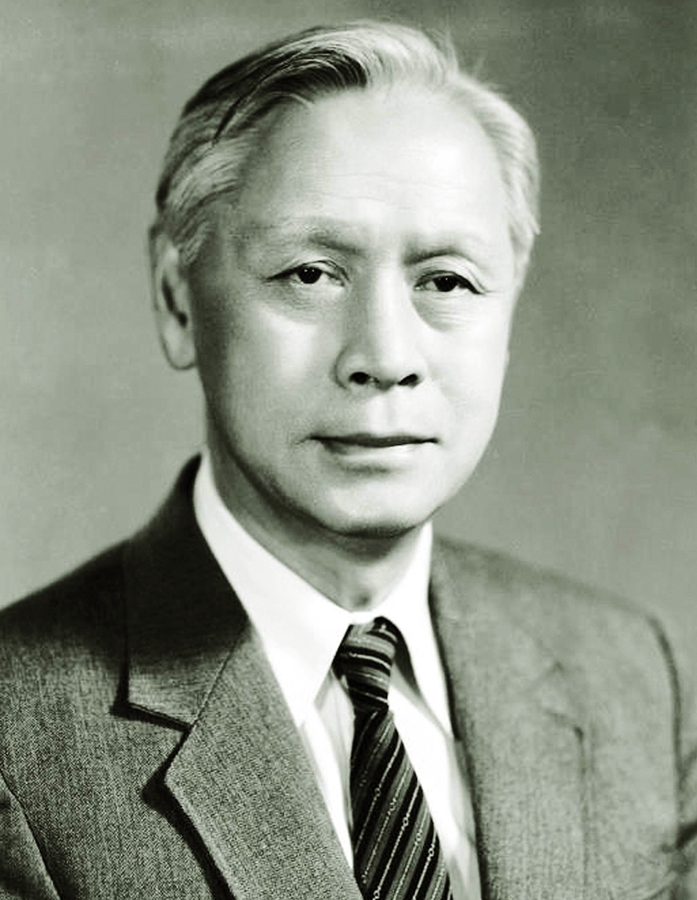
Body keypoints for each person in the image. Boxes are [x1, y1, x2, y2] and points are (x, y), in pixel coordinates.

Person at [0, 20, 695, 900]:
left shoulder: (631, 675)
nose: (384, 356)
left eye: (446, 281)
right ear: (177, 299)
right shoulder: (17, 742)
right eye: (310, 274)